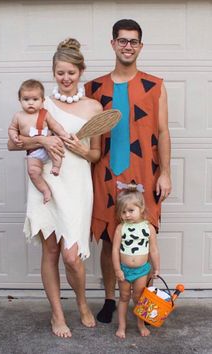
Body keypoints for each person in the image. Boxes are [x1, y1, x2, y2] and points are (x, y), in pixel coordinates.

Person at [8, 38, 103, 338]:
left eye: (71, 73)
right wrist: (42, 140)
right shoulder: (39, 104)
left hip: (76, 182)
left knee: (71, 256)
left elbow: (96, 154)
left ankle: (82, 302)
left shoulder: (93, 106)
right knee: (51, 250)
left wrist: (80, 148)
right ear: (53, 72)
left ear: (80, 72)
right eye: (60, 73)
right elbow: (13, 142)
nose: (65, 78)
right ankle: (57, 314)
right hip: (45, 182)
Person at [85, 19, 171, 323]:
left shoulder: (155, 85)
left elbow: (162, 132)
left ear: (140, 46)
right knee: (110, 236)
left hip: (145, 170)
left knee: (143, 234)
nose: (128, 46)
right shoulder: (93, 88)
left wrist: (166, 173)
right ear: (113, 44)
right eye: (122, 40)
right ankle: (110, 299)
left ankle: (141, 301)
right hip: (105, 171)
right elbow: (82, 131)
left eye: (133, 41)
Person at [8, 79, 70, 204]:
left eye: (35, 99)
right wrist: (14, 136)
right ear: (20, 100)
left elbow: (56, 126)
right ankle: (45, 190)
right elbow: (12, 129)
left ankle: (56, 166)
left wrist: (64, 134)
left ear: (42, 101)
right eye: (26, 99)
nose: (30, 103)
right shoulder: (18, 116)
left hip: (49, 148)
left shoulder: (45, 114)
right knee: (32, 171)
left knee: (57, 149)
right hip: (34, 150)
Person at [112, 183, 160, 338]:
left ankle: (140, 324)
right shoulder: (121, 228)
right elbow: (115, 250)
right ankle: (122, 326)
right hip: (124, 270)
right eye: (123, 212)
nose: (127, 215)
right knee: (124, 297)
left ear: (141, 208)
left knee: (139, 298)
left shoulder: (148, 227)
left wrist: (156, 268)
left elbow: (153, 250)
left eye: (131, 210)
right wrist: (117, 270)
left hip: (142, 271)